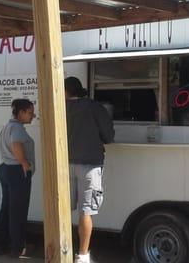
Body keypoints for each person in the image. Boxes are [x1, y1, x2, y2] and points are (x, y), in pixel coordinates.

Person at [64, 77, 114, 263]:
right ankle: (82, 256)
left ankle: (62, 249)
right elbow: (108, 136)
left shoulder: (58, 107)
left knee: (63, 209)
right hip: (89, 165)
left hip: (63, 164)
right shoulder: (94, 107)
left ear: (65, 91)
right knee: (85, 212)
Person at [0, 98, 36, 258]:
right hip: (17, 171)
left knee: (6, 208)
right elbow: (16, 144)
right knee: (18, 210)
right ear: (21, 112)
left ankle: (0, 245)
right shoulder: (17, 128)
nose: (33, 116)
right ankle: (16, 248)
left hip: (5, 169)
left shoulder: (7, 126)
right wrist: (25, 163)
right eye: (30, 113)